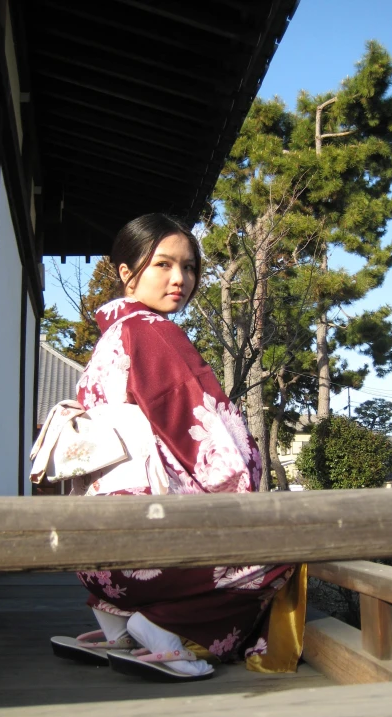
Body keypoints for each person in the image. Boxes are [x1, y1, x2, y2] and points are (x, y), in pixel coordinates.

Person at [53, 213, 306, 681]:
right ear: (127, 273)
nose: (180, 279)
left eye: (188, 267)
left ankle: (115, 624)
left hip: (98, 557)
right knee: (279, 552)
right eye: (163, 265)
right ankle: (166, 630)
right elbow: (206, 428)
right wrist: (247, 493)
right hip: (151, 552)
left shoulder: (110, 338)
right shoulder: (152, 331)